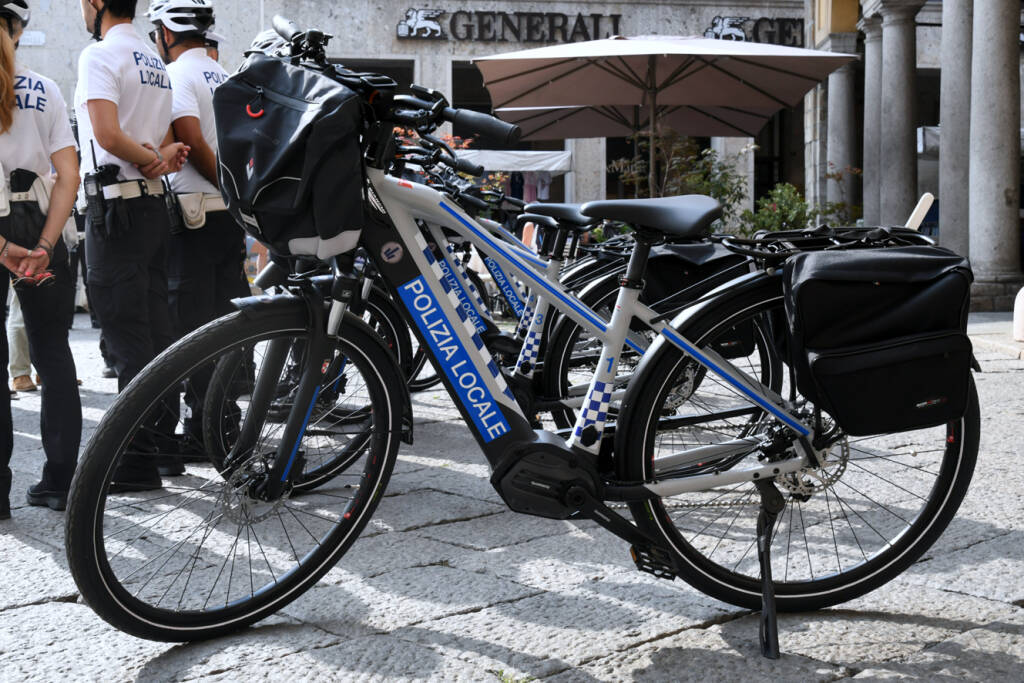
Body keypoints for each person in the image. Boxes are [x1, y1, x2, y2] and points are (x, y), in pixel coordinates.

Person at [75, 0, 188, 490]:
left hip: (115, 209)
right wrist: (155, 158)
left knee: (126, 338)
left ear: (98, 3)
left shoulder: (99, 55)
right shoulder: (154, 62)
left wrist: (145, 157)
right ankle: (162, 447)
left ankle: (136, 461)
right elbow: (164, 145)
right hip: (151, 208)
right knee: (156, 330)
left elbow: (105, 134)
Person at [148, 0, 248, 446]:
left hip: (196, 212)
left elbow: (189, 138)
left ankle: (207, 429)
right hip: (228, 215)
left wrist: (225, 186)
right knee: (224, 321)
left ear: (166, 33)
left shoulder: (178, 75)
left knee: (192, 327)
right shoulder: (219, 73)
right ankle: (225, 422)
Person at [0, 0, 83, 516]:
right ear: (20, 27)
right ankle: (60, 484)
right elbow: (68, 177)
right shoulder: (46, 88)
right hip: (42, 227)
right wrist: (46, 245)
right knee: (53, 355)